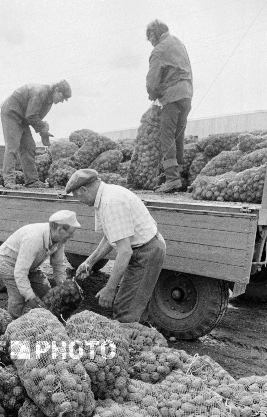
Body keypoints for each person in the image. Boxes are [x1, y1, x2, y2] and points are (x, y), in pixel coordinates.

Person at [66, 169, 166, 323]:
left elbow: (125, 251)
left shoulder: (111, 203)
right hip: (142, 249)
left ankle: (132, 339)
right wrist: (89, 262)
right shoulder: (103, 197)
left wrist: (110, 288)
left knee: (125, 309)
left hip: (146, 251)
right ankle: (139, 334)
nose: (81, 203)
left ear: (84, 190)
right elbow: (110, 236)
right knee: (133, 304)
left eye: (78, 198)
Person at [0, 209, 80, 319]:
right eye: (70, 233)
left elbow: (58, 265)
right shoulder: (33, 239)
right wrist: (30, 298)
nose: (71, 236)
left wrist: (63, 286)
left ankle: (50, 320)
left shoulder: (59, 239)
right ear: (59, 229)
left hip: (29, 265)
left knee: (48, 293)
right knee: (19, 298)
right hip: (7, 263)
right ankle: (12, 323)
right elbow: (20, 273)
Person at [146, 19, 193, 193]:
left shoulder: (158, 50)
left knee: (167, 136)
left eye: (149, 37)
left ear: (154, 33)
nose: (150, 41)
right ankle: (180, 176)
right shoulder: (178, 42)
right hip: (187, 94)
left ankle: (172, 179)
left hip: (172, 97)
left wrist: (153, 95)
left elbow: (152, 82)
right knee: (179, 136)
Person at [1, 80, 72, 190]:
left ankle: (32, 181)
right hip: (11, 114)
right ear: (57, 90)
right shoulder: (40, 92)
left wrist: (44, 133)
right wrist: (43, 129)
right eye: (62, 97)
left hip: (23, 119)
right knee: (13, 147)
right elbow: (32, 116)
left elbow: (36, 119)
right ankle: (9, 181)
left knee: (29, 147)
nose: (62, 101)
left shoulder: (49, 102)